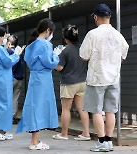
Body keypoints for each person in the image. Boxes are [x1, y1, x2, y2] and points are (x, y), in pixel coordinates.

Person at [79, 4, 129, 152]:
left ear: (95, 17)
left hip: (96, 77)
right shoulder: (118, 35)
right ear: (109, 17)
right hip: (113, 77)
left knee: (96, 110)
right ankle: (109, 141)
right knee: (110, 111)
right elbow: (124, 54)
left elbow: (83, 55)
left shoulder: (92, 34)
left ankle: (101, 142)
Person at [16, 18, 59, 150]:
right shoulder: (45, 44)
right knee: (40, 108)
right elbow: (51, 63)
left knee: (35, 106)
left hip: (35, 77)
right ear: (48, 31)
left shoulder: (32, 45)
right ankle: (34, 142)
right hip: (43, 78)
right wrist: (56, 55)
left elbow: (28, 60)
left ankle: (35, 140)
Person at [53, 25, 90, 141]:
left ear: (65, 38)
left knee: (66, 109)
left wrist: (55, 59)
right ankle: (86, 133)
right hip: (82, 82)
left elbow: (59, 67)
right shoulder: (82, 48)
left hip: (68, 82)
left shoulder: (65, 51)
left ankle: (64, 134)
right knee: (82, 108)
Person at [6, 35, 24, 124]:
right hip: (19, 78)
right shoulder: (19, 51)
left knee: (6, 97)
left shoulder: (9, 51)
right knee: (15, 98)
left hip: (11, 78)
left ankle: (7, 116)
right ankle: (14, 116)